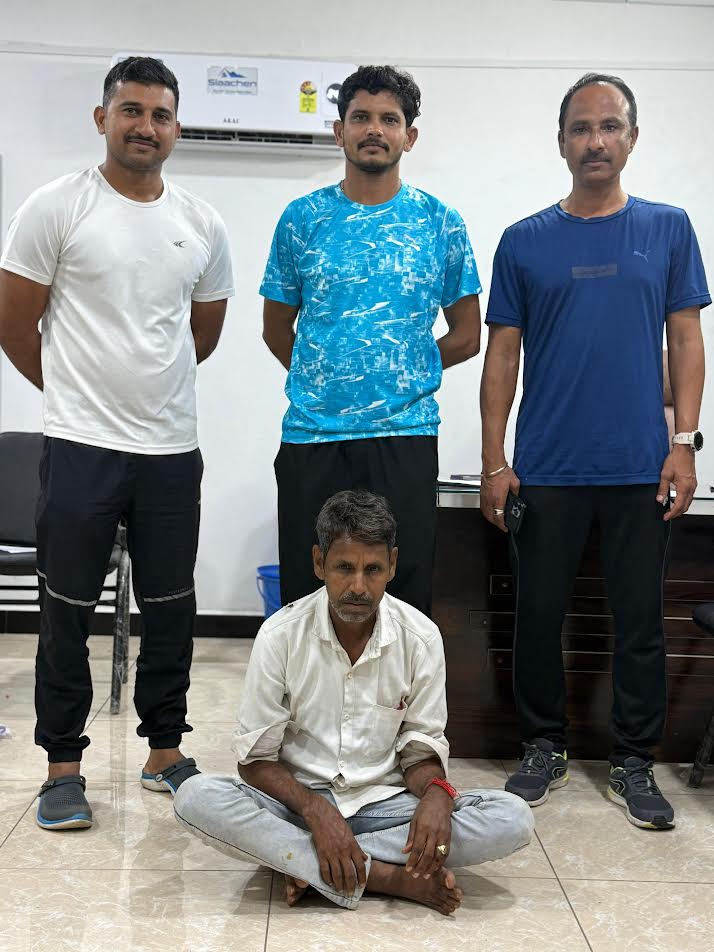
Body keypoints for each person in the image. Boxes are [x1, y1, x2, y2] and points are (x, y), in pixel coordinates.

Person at [0, 56, 234, 830]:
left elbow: (201, 336)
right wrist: (78, 396)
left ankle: (165, 751)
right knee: (66, 609)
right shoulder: (56, 207)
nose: (145, 126)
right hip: (81, 447)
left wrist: (144, 393)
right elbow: (15, 324)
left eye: (160, 114)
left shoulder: (202, 223)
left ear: (177, 128)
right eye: (131, 110)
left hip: (171, 451)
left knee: (170, 607)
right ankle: (62, 769)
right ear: (102, 119)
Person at [480, 72, 709, 830]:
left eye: (610, 126)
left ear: (632, 139)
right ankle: (542, 747)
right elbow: (501, 357)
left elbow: (686, 340)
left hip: (641, 466)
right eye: (581, 128)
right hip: (546, 468)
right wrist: (494, 460)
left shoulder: (668, 229)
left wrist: (684, 444)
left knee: (639, 621)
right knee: (538, 615)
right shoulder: (523, 241)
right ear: (561, 142)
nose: (595, 141)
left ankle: (633, 761)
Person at [173, 491, 532, 914]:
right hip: (297, 805)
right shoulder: (280, 635)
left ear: (392, 565)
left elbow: (420, 754)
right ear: (319, 563)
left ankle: (307, 863)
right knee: (195, 795)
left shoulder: (421, 638)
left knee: (512, 817)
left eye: (372, 569)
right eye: (344, 568)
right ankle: (385, 876)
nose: (358, 587)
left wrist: (437, 794)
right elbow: (254, 762)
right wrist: (316, 811)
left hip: (386, 806)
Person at [260, 65, 482, 616]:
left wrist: (401, 371)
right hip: (313, 437)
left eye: (390, 119)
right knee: (308, 597)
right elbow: (275, 328)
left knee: (402, 598)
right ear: (340, 131)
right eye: (361, 117)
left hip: (404, 437)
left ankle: (394, 682)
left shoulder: (440, 223)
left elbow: (468, 335)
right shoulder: (301, 220)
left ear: (410, 135)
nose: (374, 129)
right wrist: (327, 376)